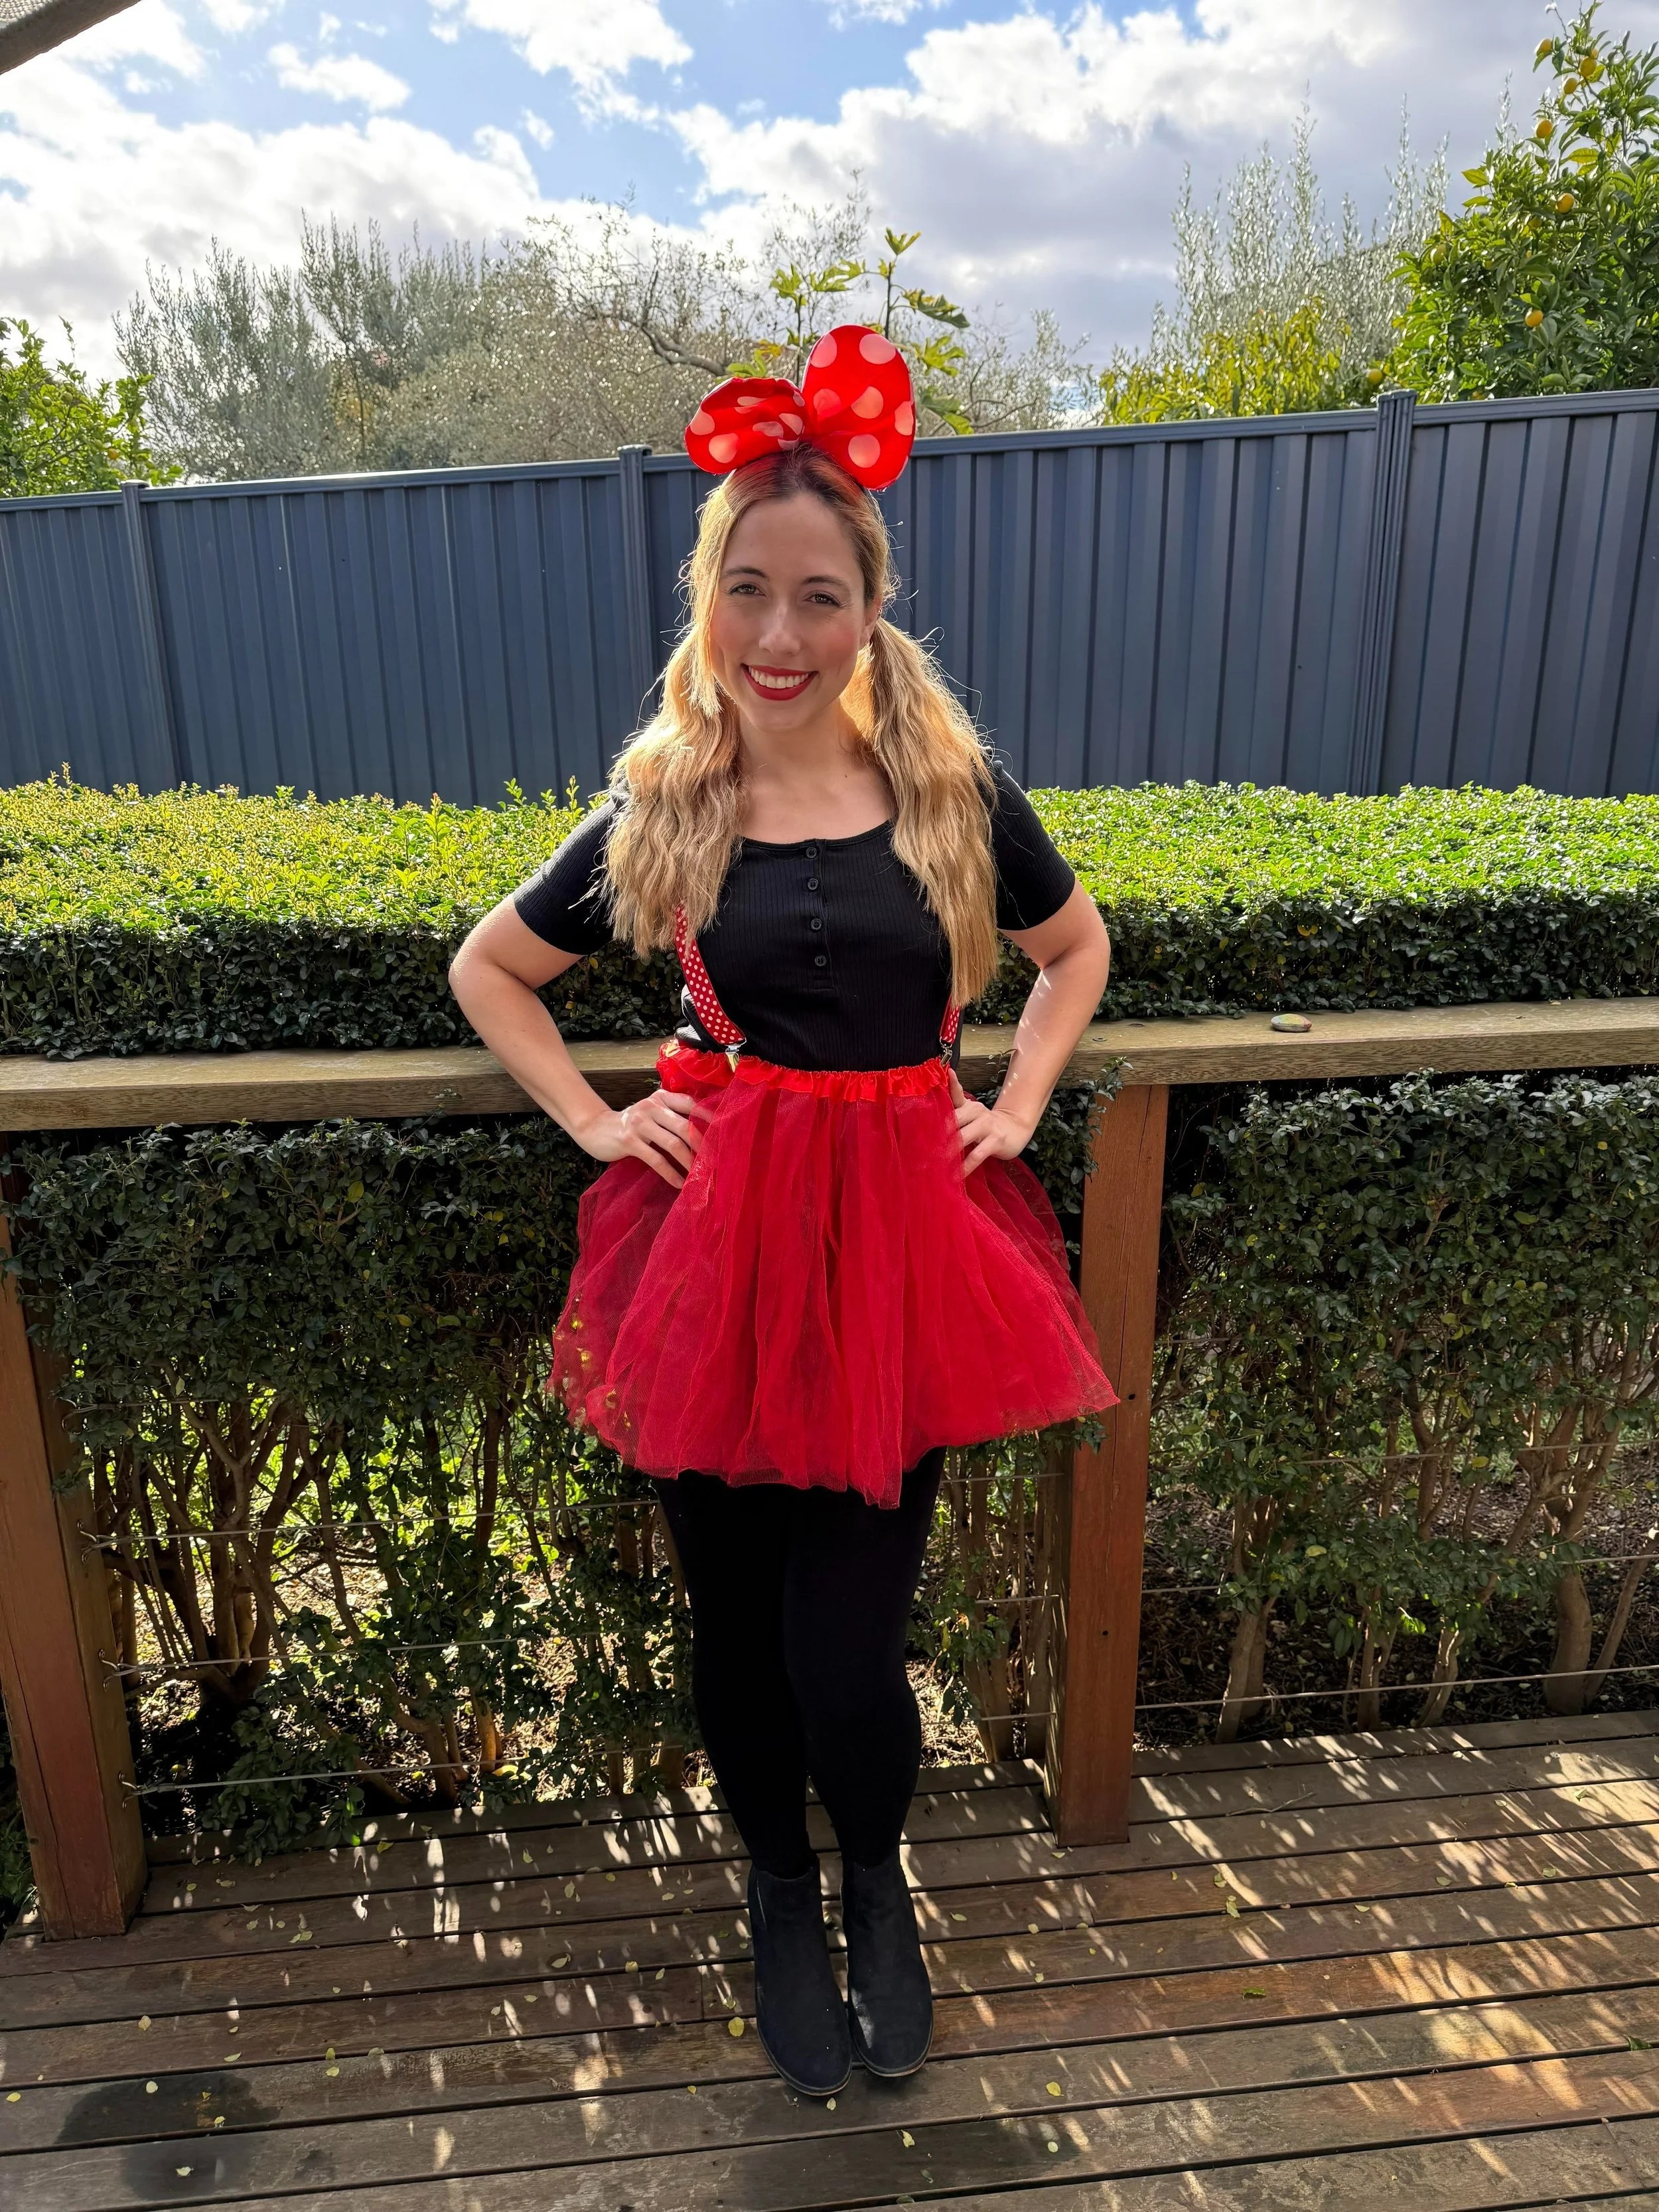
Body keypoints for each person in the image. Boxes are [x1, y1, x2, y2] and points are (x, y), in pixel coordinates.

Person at [449, 327, 1116, 2101]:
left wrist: (1019, 1102)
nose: (776, 633)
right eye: (746, 589)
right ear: (705, 600)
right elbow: (492, 969)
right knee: (733, 1628)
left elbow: (1074, 953)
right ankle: (773, 1889)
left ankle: (875, 1880)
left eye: (816, 595)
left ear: (868, 611)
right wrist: (601, 1116)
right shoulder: (662, 809)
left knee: (844, 1641)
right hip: (715, 1259)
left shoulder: (951, 803)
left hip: (900, 1255)